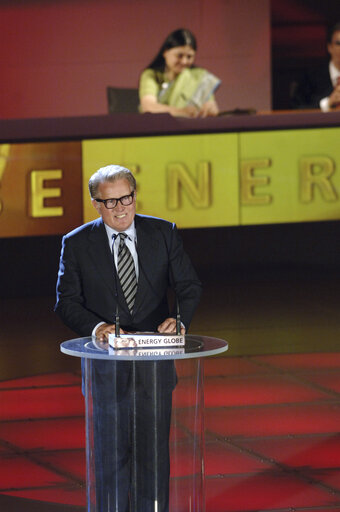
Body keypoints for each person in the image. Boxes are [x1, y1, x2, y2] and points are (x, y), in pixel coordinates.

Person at [55, 164, 202, 512]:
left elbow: (189, 285)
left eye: (127, 198)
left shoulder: (163, 233)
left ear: (135, 196)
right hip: (106, 371)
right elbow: (66, 303)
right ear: (95, 204)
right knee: (111, 457)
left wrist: (178, 319)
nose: (120, 208)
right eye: (110, 202)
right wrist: (97, 328)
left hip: (155, 366)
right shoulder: (76, 244)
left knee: (153, 457)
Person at [139, 28, 220, 118]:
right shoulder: (151, 75)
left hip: (191, 129)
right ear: (165, 52)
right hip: (158, 128)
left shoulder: (200, 77)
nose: (184, 61)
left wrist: (210, 109)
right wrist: (182, 112)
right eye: (179, 56)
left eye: (189, 57)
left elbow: (209, 104)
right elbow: (149, 107)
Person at [292, 22, 340, 111]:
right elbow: (297, 109)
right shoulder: (311, 78)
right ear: (329, 47)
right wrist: (328, 103)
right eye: (338, 43)